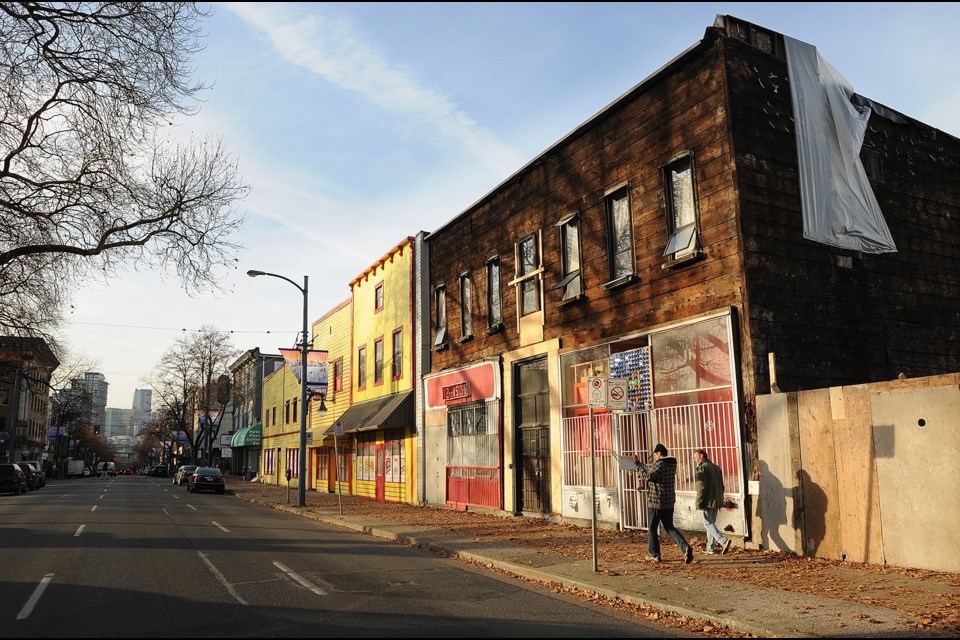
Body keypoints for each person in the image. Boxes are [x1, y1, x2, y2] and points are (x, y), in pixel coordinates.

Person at [634, 443, 693, 564]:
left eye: (655, 454)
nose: (654, 456)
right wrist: (642, 464)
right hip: (669, 501)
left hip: (656, 502)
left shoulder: (660, 465)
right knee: (669, 527)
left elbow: (648, 476)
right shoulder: (671, 465)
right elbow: (652, 468)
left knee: (651, 528)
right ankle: (685, 547)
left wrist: (637, 466)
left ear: (659, 454)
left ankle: (654, 554)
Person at [694, 448, 731, 555]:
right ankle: (710, 547)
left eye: (696, 457)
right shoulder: (716, 467)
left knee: (707, 523)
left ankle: (723, 541)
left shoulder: (703, 468)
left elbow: (701, 487)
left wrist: (699, 501)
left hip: (708, 500)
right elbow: (721, 485)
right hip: (717, 499)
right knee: (711, 523)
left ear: (701, 456)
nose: (695, 460)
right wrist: (721, 500)